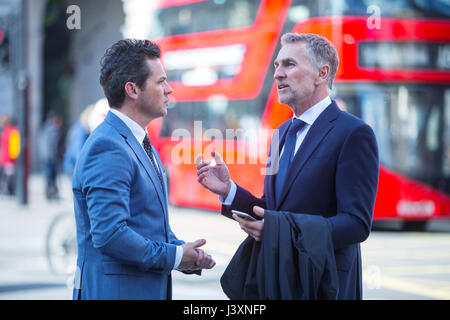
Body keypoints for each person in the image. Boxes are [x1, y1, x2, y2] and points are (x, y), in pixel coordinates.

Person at [196, 33, 379, 300]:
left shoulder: (353, 133)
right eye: (276, 66)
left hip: (325, 285)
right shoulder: (280, 134)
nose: (278, 74)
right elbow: (271, 209)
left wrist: (281, 231)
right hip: (278, 282)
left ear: (321, 73)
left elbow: (356, 224)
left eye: (289, 65)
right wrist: (229, 190)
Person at [72, 39, 215, 300]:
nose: (169, 89)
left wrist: (185, 252)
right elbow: (110, 235)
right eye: (160, 82)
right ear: (133, 90)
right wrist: (175, 257)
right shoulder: (108, 146)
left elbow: (148, 227)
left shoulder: (140, 142)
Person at [39, 113, 65, 200]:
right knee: (50, 176)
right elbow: (53, 146)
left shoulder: (46, 130)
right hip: (50, 158)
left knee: (50, 176)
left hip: (47, 157)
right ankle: (50, 192)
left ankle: (50, 192)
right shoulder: (53, 131)